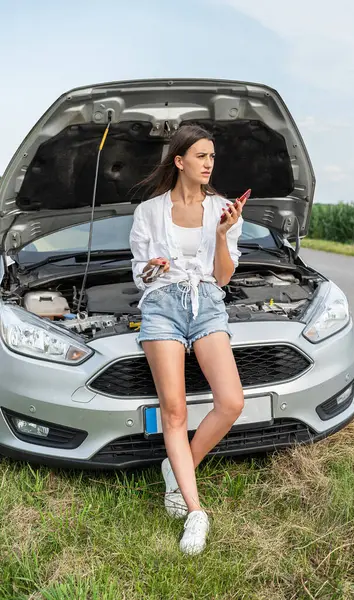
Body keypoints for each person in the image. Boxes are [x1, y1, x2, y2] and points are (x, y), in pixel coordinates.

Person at [129, 124, 246, 555]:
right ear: (180, 161)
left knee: (231, 401)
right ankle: (194, 510)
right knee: (174, 411)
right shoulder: (148, 212)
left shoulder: (223, 209)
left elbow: (222, 277)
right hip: (161, 305)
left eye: (212, 156)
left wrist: (221, 235)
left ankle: (178, 468)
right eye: (201, 156)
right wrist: (153, 268)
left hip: (207, 304)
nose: (209, 163)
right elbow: (140, 274)